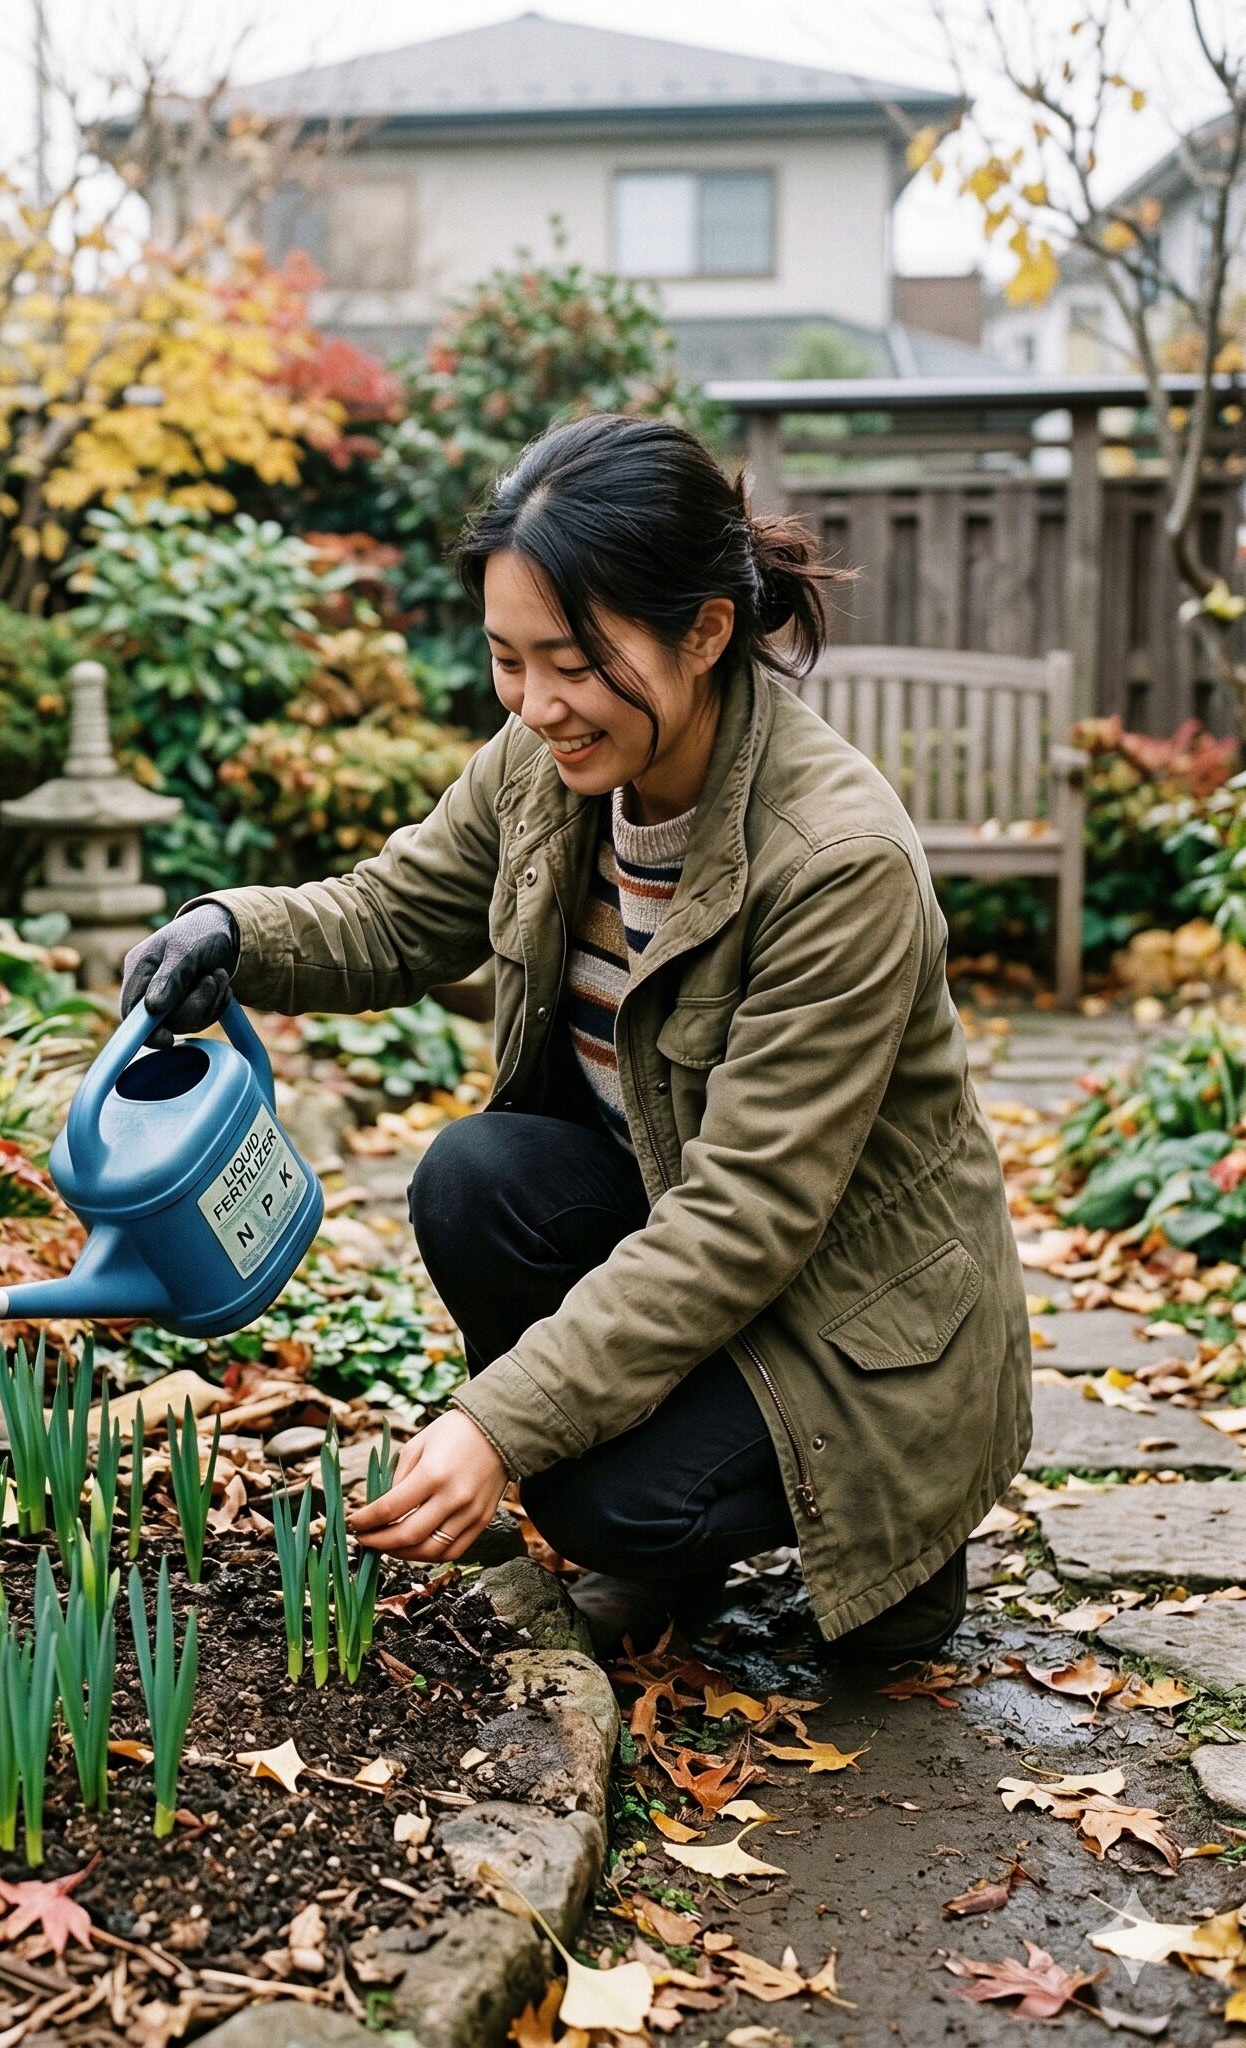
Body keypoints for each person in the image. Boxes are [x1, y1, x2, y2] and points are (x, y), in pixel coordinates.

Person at [119, 412, 1030, 1659]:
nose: (537, 703)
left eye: (573, 661)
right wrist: (230, 929)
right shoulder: (553, 757)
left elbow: (740, 1221)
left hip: (848, 1322)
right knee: (473, 1174)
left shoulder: (835, 861)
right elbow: (397, 911)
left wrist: (496, 1426)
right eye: (507, 660)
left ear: (705, 630)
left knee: (600, 1494)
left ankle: (896, 1534)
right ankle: (673, 1553)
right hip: (672, 1221)